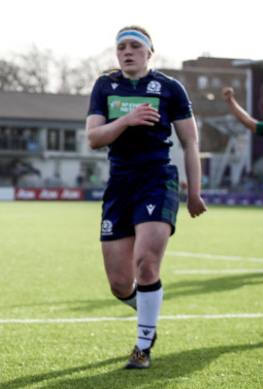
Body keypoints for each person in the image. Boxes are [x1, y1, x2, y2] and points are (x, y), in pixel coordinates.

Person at [86, 26, 207, 369]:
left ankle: (142, 347)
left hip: (157, 179)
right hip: (119, 183)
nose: (127, 52)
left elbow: (191, 143)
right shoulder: (105, 86)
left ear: (149, 52)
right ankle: (148, 316)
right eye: (121, 46)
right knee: (120, 284)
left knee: (147, 263)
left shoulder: (170, 88)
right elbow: (94, 138)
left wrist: (194, 191)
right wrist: (127, 119)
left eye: (135, 46)